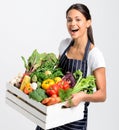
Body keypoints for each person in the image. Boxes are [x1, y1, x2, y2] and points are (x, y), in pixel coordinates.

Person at [36, 3, 106, 130]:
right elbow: (55, 74)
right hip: (53, 111)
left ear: (88, 23)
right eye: (69, 20)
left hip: (74, 120)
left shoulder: (94, 55)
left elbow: (102, 94)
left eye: (78, 19)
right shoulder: (64, 45)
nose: (72, 23)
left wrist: (82, 96)